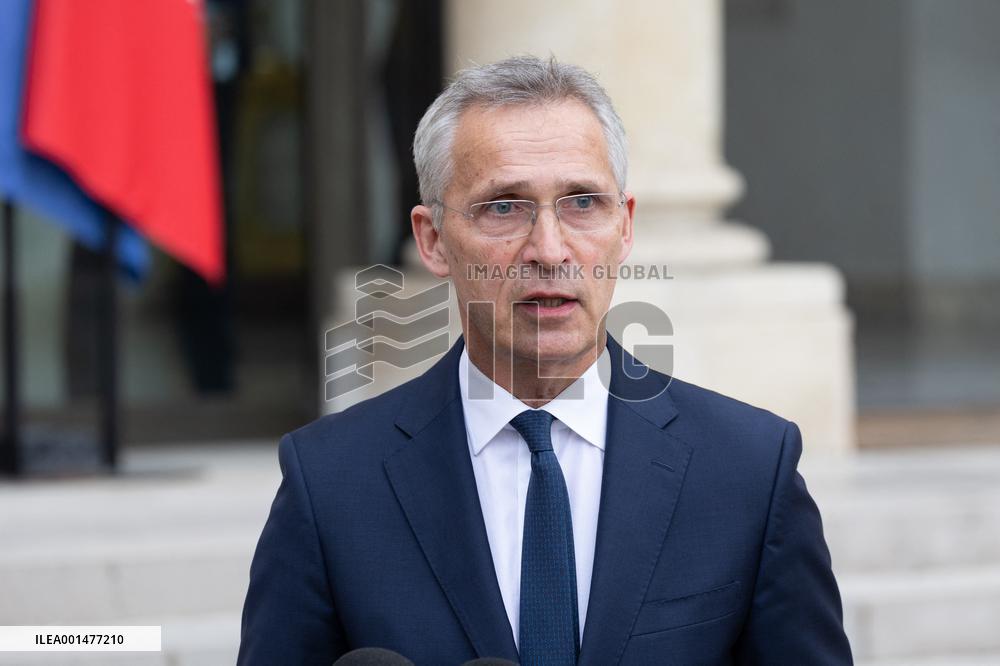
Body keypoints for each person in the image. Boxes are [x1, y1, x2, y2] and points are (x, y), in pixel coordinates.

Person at [238, 55, 853, 665]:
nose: (550, 250)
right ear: (433, 240)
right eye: (504, 207)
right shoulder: (330, 483)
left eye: (582, 201)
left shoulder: (748, 469)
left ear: (625, 226)